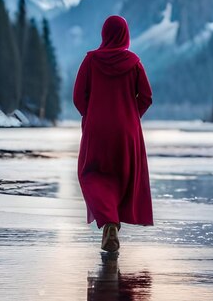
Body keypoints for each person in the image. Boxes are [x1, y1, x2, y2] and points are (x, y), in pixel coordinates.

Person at [73, 15, 153, 253]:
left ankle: (109, 223)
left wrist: (92, 115)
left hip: (97, 131)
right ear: (125, 34)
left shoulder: (90, 61)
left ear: (104, 34)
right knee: (121, 178)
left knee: (93, 175)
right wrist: (130, 115)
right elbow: (147, 97)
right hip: (126, 133)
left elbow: (78, 97)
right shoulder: (134, 63)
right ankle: (112, 225)